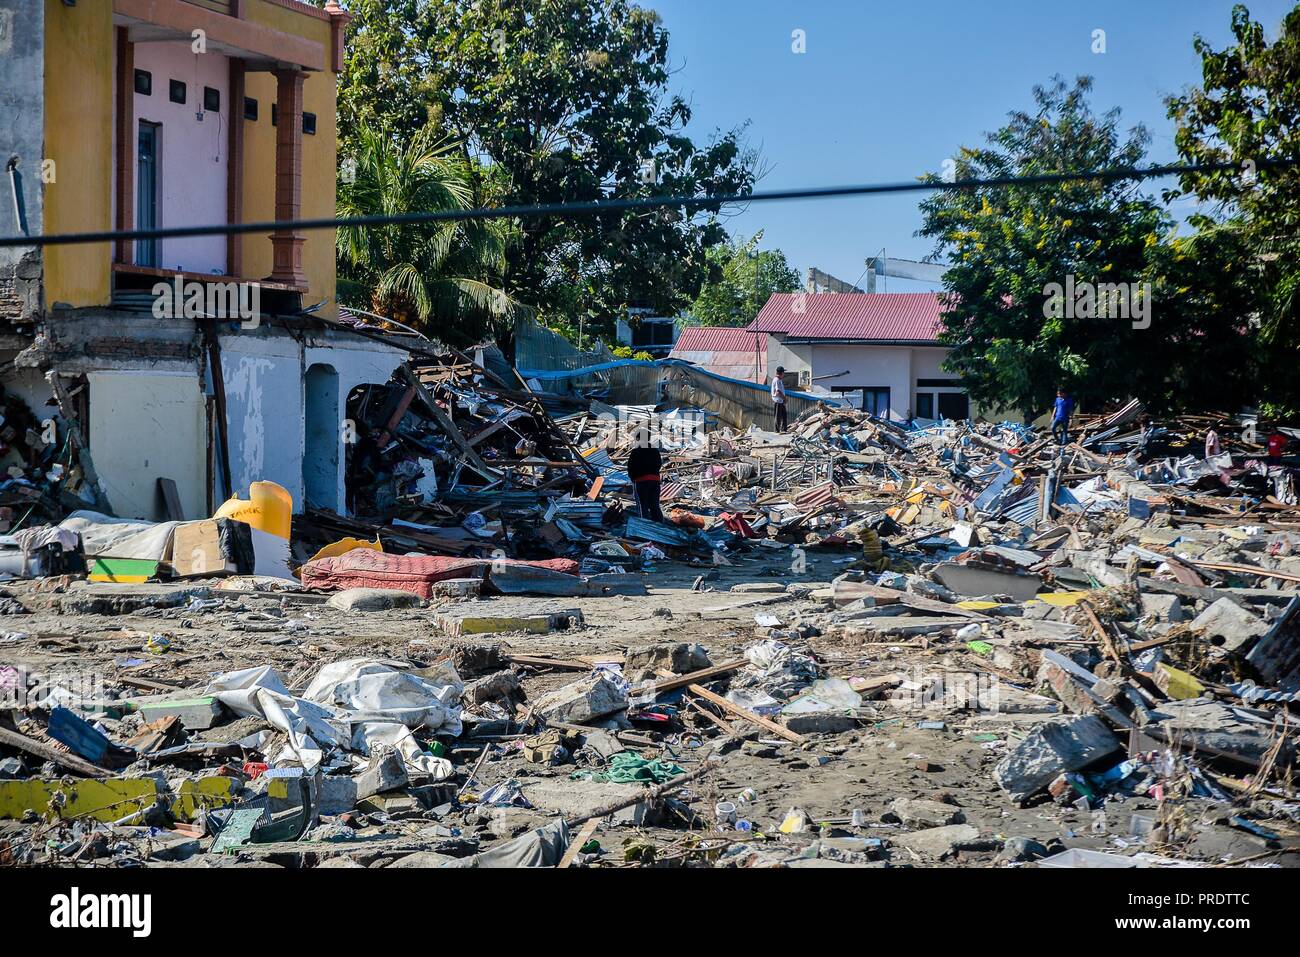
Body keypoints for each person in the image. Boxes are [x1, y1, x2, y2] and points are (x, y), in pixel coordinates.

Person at [626, 426, 664, 523]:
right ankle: (661, 527)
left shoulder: (636, 451)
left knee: (643, 506)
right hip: (655, 480)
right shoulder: (655, 450)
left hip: (641, 482)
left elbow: (630, 467)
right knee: (655, 505)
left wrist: (633, 478)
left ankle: (645, 528)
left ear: (638, 439)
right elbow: (659, 464)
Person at [771, 366, 788, 432]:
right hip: (778, 401)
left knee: (784, 416)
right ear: (781, 373)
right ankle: (777, 430)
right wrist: (784, 398)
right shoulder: (777, 380)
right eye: (783, 372)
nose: (784, 374)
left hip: (780, 401)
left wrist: (784, 399)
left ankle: (784, 429)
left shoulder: (779, 380)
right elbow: (778, 392)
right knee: (778, 417)